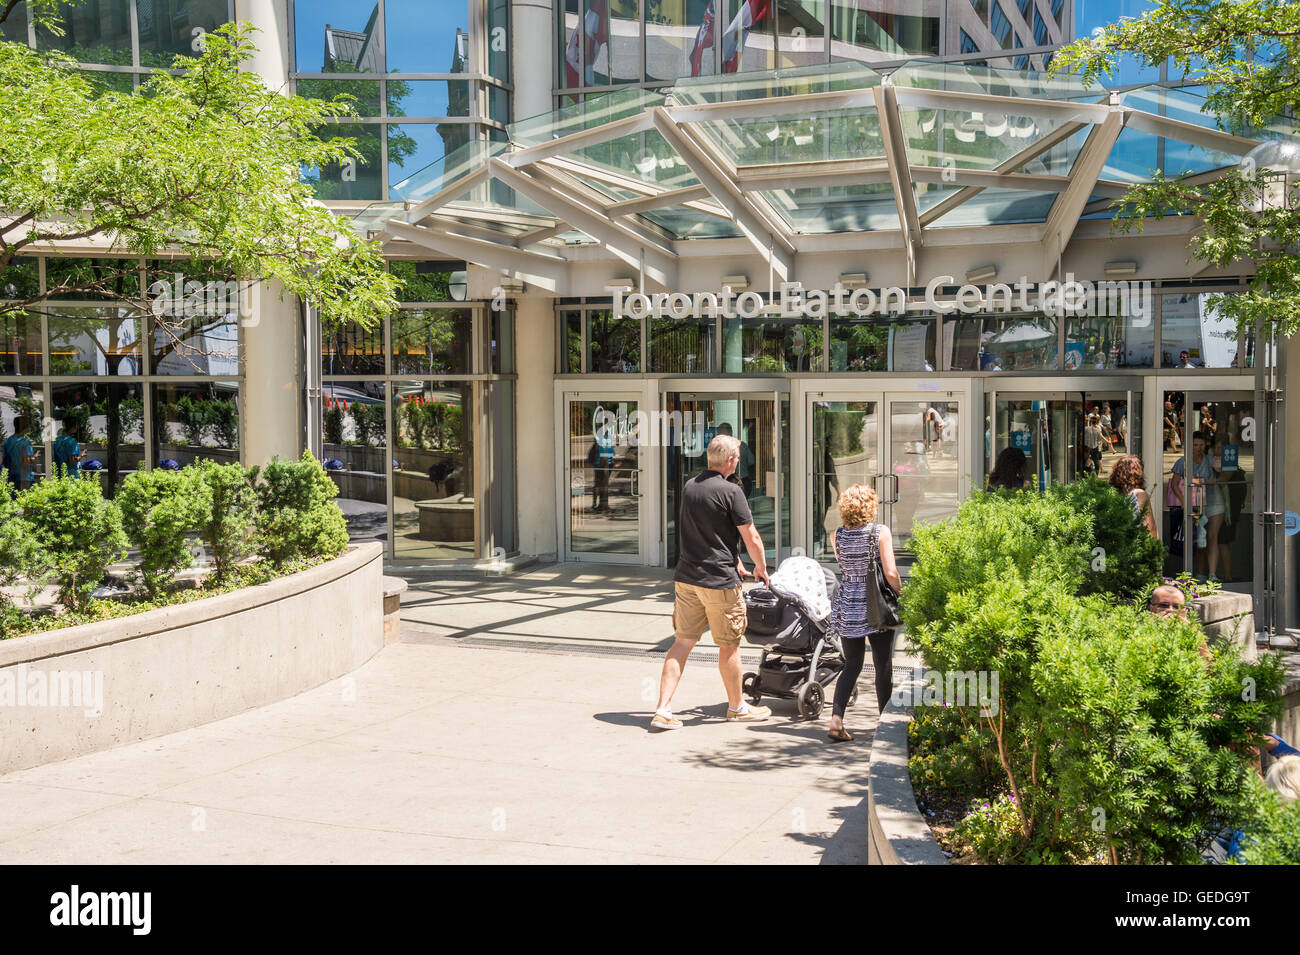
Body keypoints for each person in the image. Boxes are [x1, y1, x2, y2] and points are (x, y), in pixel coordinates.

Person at [651, 434, 771, 731]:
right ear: (730, 460)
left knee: (681, 643)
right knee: (729, 645)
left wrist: (735, 559)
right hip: (718, 582)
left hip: (687, 578)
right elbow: (751, 535)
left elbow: (707, 532)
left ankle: (662, 709)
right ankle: (737, 707)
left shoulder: (691, 486)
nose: (739, 462)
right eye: (738, 458)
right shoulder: (732, 491)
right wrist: (761, 566)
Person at [826, 484, 902, 742]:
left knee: (852, 664)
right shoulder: (880, 532)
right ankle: (885, 724)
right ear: (870, 507)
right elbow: (890, 573)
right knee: (883, 665)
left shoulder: (835, 535)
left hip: (848, 603)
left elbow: (847, 568)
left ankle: (836, 721)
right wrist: (901, 593)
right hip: (874, 606)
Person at [1170, 431, 1222, 581]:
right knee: (1199, 540)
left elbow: (1224, 470)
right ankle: (1200, 573)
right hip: (1195, 504)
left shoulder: (1210, 459)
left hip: (1213, 501)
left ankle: (1212, 574)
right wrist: (1184, 501)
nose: (1198, 448)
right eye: (1194, 445)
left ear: (1205, 445)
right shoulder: (1183, 462)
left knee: (1212, 537)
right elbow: (1174, 485)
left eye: (1200, 445)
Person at [1109, 454, 1158, 540]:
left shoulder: (1113, 494)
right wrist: (1154, 549)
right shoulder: (1139, 494)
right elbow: (1150, 527)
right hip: (1135, 545)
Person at [2, 416, 37, 491]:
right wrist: (33, 458)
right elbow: (26, 462)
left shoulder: (8, 441)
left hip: (10, 477)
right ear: (25, 427)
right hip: (24, 478)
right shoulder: (26, 443)